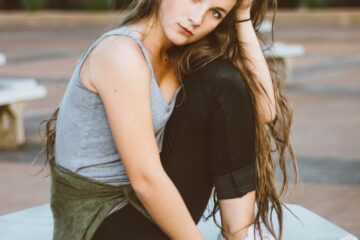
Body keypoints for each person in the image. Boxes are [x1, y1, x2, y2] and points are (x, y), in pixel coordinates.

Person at [42, 0, 298, 239]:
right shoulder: (121, 53)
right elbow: (145, 180)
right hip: (97, 223)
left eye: (216, 13)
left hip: (137, 207)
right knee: (221, 84)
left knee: (223, 82)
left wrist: (241, 16)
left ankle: (240, 234)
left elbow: (264, 110)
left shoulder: (179, 56)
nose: (198, 19)